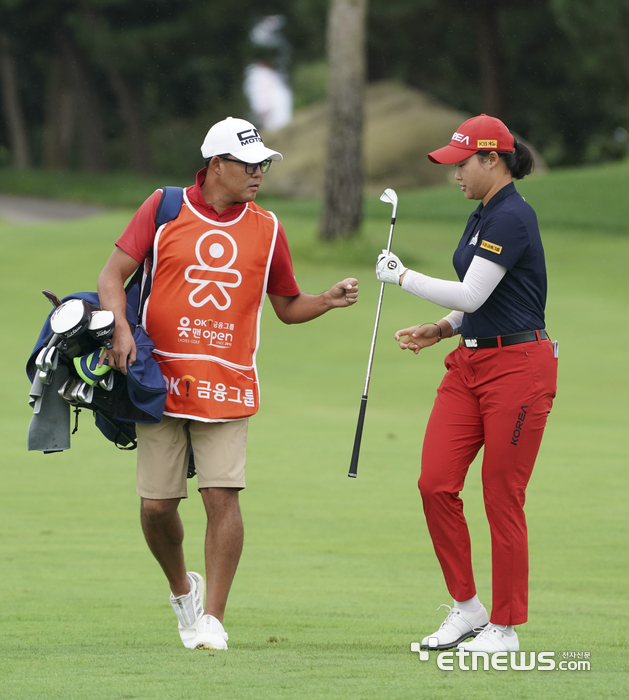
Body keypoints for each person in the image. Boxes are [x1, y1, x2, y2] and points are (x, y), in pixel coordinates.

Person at [97, 117, 358, 651]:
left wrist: (325, 301)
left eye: (263, 163)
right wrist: (120, 328)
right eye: (249, 164)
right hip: (157, 379)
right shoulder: (165, 207)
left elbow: (285, 305)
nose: (259, 172)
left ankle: (213, 619)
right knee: (156, 507)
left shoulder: (267, 226)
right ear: (217, 165)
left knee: (222, 496)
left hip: (226, 382)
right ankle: (182, 590)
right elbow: (111, 277)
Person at [375, 114, 557, 654]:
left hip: (520, 371)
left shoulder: (512, 218)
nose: (453, 173)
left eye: (461, 164)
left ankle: (503, 629)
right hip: (470, 365)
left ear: (491, 160)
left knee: (502, 496)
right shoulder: (482, 214)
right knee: (435, 483)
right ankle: (468, 609)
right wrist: (442, 328)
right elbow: (484, 299)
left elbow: (474, 294)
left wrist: (402, 277)